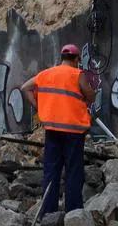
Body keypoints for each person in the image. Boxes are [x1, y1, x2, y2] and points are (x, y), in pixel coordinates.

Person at [20, 44, 96, 214]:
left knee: (51, 171)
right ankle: (73, 213)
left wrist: (39, 107)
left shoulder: (46, 74)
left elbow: (25, 88)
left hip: (53, 130)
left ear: (62, 58)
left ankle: (48, 212)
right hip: (74, 132)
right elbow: (90, 96)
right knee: (73, 172)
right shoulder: (77, 74)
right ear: (76, 60)